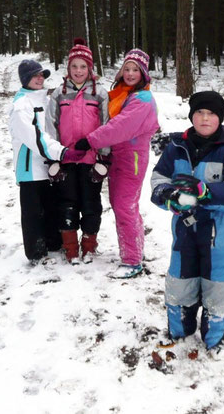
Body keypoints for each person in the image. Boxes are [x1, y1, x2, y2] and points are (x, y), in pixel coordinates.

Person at [150, 91, 224, 359]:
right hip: (185, 230)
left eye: (211, 114)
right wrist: (169, 198)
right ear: (192, 116)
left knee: (218, 284)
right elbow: (158, 178)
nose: (204, 118)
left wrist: (205, 191)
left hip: (220, 234)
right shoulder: (176, 147)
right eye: (199, 113)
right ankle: (179, 330)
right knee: (181, 280)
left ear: (220, 119)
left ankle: (216, 337)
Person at [75, 49, 159, 278]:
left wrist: (90, 140)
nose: (130, 74)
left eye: (136, 70)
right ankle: (135, 251)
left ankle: (132, 261)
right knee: (124, 204)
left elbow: (119, 126)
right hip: (119, 157)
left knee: (124, 205)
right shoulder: (123, 94)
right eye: (127, 69)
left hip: (131, 157)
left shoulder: (142, 98)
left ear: (144, 74)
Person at [8, 59, 86, 266]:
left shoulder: (45, 99)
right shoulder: (20, 106)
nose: (40, 78)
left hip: (49, 166)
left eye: (42, 74)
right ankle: (36, 253)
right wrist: (62, 153)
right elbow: (36, 138)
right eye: (35, 75)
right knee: (33, 213)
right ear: (25, 79)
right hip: (30, 169)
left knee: (51, 206)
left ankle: (53, 243)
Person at [46, 38, 109, 264]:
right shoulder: (58, 94)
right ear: (68, 68)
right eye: (74, 66)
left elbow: (106, 125)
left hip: (92, 159)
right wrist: (53, 157)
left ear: (90, 68)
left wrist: (104, 157)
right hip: (66, 158)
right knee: (67, 202)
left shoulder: (100, 93)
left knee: (91, 203)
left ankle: (89, 246)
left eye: (83, 66)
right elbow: (50, 126)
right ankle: (70, 248)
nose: (79, 71)